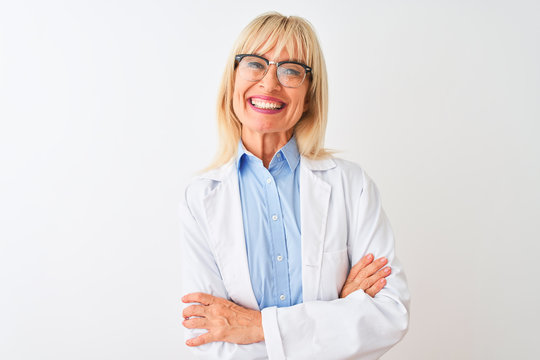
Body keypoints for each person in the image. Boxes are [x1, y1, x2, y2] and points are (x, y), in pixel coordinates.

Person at [179, 12, 410, 360]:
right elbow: (212, 336)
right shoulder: (200, 197)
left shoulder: (352, 185)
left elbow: (389, 315)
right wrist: (338, 311)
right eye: (255, 64)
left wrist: (257, 327)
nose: (269, 84)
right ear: (233, 79)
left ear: (309, 94)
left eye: (290, 70)